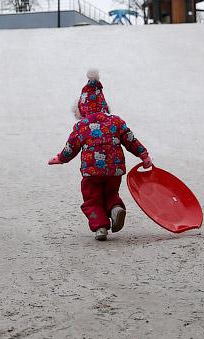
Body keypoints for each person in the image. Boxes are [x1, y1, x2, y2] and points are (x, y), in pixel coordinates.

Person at [48, 69, 152, 241]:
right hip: (114, 170)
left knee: (92, 199)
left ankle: (101, 227)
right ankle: (115, 208)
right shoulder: (116, 121)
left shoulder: (81, 126)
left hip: (92, 173)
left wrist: (60, 158)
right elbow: (131, 140)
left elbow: (71, 146)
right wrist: (144, 156)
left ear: (81, 109)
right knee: (111, 193)